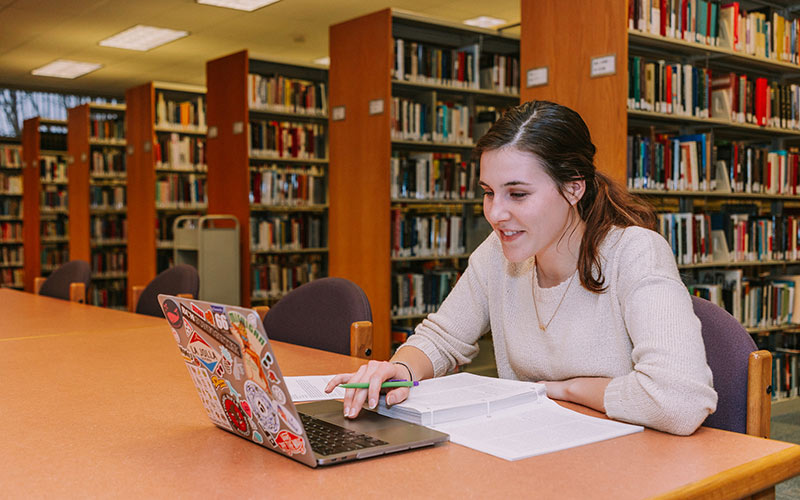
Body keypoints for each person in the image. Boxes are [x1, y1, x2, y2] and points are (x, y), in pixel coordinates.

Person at [325, 100, 717, 436]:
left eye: (518, 193)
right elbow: (443, 338)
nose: (496, 214)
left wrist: (567, 389)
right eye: (488, 193)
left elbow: (680, 400)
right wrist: (399, 369)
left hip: (627, 462)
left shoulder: (635, 253)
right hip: (531, 451)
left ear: (573, 187)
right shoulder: (498, 253)